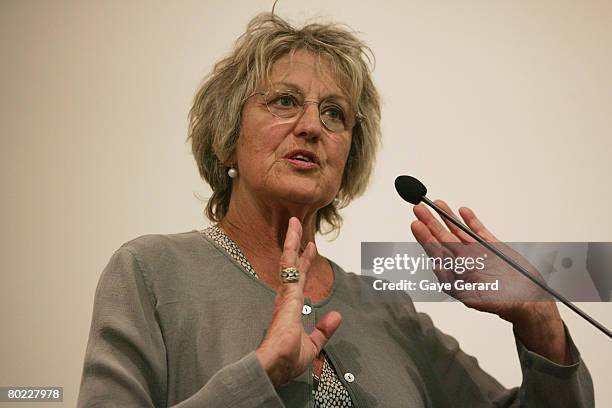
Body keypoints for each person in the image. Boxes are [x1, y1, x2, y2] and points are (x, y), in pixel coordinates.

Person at [77, 12, 594, 407]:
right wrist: (260, 374)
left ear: (348, 159)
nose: (310, 127)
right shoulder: (151, 273)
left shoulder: (389, 310)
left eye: (334, 114)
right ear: (226, 137)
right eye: (283, 101)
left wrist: (537, 316)